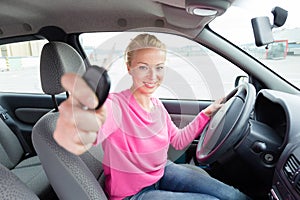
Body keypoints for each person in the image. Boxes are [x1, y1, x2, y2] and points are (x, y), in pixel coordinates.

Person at [54, 34, 250, 200]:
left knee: (232, 195)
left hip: (162, 172)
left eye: (159, 67)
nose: (153, 76)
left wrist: (206, 114)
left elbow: (179, 141)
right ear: (129, 67)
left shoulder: (156, 105)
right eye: (143, 67)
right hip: (133, 195)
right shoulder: (115, 106)